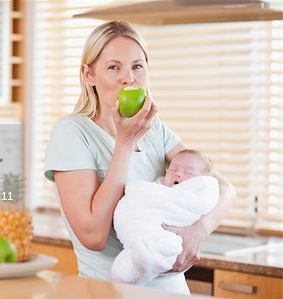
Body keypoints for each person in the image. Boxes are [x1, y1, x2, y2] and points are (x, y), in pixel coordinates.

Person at [44, 21, 235, 295]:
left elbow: (224, 188)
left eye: (137, 66)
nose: (128, 78)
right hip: (109, 291)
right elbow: (93, 236)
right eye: (113, 67)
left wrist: (200, 229)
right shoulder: (72, 132)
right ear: (88, 75)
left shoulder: (153, 129)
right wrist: (124, 142)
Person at [111, 149, 219, 285]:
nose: (178, 174)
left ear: (201, 181)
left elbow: (200, 204)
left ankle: (140, 264)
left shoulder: (197, 195)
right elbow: (140, 198)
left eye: (189, 173)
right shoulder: (157, 188)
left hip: (168, 241)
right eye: (173, 169)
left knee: (164, 247)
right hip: (144, 224)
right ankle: (137, 260)